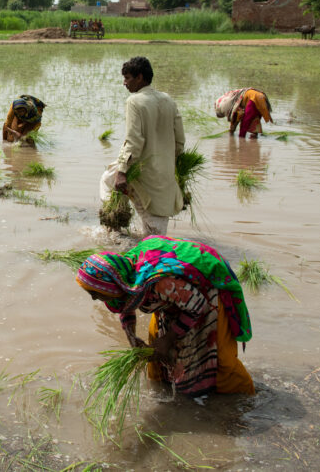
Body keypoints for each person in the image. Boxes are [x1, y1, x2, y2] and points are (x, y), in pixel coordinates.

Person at [76, 236, 255, 396]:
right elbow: (124, 307)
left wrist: (168, 338)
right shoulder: (123, 280)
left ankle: (241, 400)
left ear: (112, 286)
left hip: (205, 295)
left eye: (96, 293)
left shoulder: (160, 282)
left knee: (220, 359)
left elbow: (197, 305)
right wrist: (132, 336)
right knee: (160, 355)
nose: (93, 298)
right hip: (174, 300)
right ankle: (176, 394)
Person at [99, 56, 184, 236]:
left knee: (153, 239)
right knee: (108, 178)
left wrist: (122, 172)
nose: (124, 83)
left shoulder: (135, 101)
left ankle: (115, 230)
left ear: (140, 77)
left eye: (127, 78)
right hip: (165, 178)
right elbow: (179, 142)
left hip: (144, 176)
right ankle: (116, 222)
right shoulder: (168, 100)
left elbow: (134, 140)